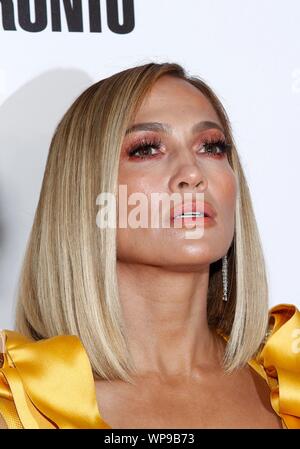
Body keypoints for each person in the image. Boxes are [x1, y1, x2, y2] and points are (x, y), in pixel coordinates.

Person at [0, 62, 299, 429]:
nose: (192, 174)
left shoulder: (292, 377)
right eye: (146, 149)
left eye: (212, 147)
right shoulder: (17, 402)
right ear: (86, 193)